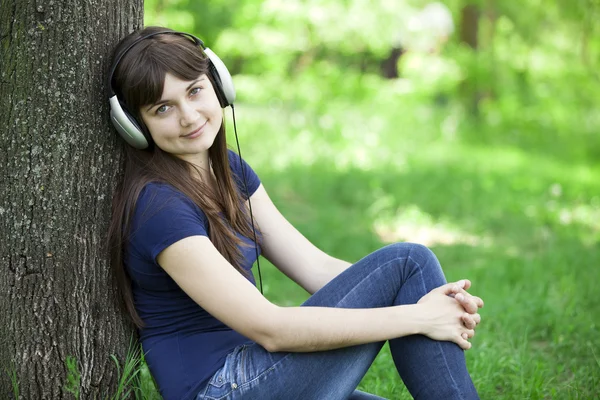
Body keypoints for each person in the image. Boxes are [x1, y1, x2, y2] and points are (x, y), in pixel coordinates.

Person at [107, 26, 484, 400]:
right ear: (135, 126)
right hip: (222, 390)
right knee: (407, 261)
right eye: (163, 108)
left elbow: (317, 269)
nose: (188, 116)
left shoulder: (230, 172)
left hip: (255, 373)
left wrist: (427, 299)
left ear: (218, 85)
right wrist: (418, 317)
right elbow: (272, 328)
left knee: (411, 272)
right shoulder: (159, 209)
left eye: (194, 91)